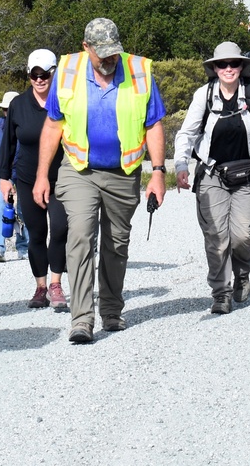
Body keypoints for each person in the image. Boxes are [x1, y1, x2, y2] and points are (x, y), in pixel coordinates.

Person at [34, 19, 166, 343]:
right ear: (86, 48)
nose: (108, 60)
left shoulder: (139, 71)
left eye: (113, 53)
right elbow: (53, 126)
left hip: (123, 173)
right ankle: (81, 318)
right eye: (101, 54)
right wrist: (41, 175)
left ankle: (110, 309)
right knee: (79, 235)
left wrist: (159, 173)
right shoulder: (66, 72)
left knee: (116, 243)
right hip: (80, 170)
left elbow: (154, 125)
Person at [174, 42, 250, 315]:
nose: (228, 69)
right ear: (214, 68)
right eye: (222, 65)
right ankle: (221, 293)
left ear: (241, 67)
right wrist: (180, 164)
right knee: (216, 237)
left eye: (233, 64)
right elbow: (187, 132)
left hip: (247, 174)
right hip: (212, 173)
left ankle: (243, 273)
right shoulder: (205, 94)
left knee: (241, 236)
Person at [0, 49, 70, 310]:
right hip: (28, 179)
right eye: (34, 74)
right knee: (37, 233)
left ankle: (56, 283)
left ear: (54, 73)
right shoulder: (18, 104)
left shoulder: (65, 100)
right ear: (28, 75)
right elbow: (8, 143)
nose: (39, 80)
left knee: (61, 228)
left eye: (44, 75)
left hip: (61, 178)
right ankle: (41, 287)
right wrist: (4, 178)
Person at [0, 91, 28, 262]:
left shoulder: (26, 126)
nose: (8, 113)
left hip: (23, 171)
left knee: (24, 209)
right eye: (6, 110)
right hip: (1, 171)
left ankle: (23, 247)